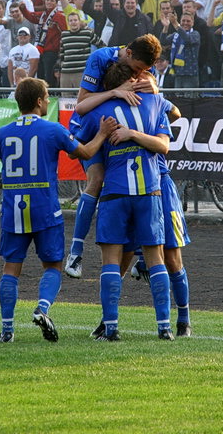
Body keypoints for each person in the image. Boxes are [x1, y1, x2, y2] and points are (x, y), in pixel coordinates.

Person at [0, 78, 116, 343]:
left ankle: (6, 330)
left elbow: (3, 161)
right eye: (47, 97)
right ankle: (42, 309)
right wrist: (103, 133)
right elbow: (83, 153)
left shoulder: (3, 133)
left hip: (13, 207)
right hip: (44, 206)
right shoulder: (53, 130)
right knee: (53, 265)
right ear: (39, 101)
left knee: (11, 268)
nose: (48, 101)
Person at [74, 61, 174, 341]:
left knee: (110, 260)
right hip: (149, 190)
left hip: (115, 192)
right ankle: (164, 326)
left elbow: (80, 148)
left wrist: (107, 135)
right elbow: (165, 145)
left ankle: (112, 327)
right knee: (155, 258)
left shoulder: (98, 110)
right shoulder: (156, 102)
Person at [63, 35, 162, 279]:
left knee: (144, 178)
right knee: (97, 180)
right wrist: (115, 92)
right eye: (138, 69)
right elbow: (82, 103)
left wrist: (155, 88)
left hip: (117, 130)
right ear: (128, 54)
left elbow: (160, 101)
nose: (139, 74)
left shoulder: (143, 69)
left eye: (144, 71)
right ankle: (75, 253)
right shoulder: (100, 57)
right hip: (89, 127)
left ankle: (141, 255)